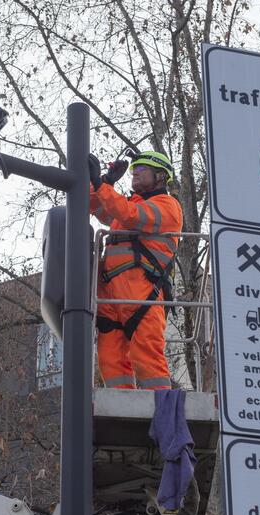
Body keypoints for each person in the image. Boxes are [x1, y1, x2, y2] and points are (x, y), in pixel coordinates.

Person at [88, 151, 183, 390]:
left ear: (160, 177)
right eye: (133, 172)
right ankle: (121, 410)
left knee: (147, 358)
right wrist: (106, 181)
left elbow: (130, 215)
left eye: (141, 171)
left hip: (143, 291)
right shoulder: (128, 204)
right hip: (112, 292)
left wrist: (102, 185)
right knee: (110, 358)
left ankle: (164, 412)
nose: (134, 176)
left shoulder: (168, 206)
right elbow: (92, 205)